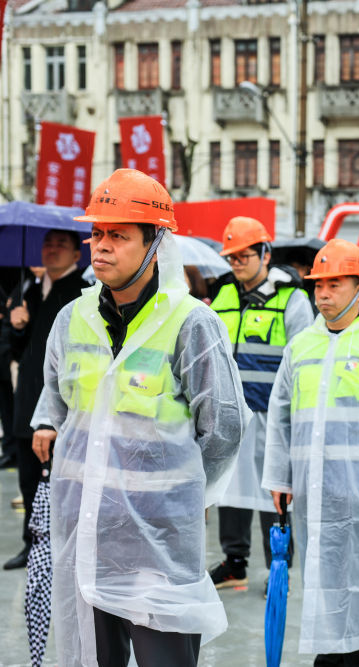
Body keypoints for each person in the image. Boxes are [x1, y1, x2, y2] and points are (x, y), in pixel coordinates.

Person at [30, 169, 247, 666]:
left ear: (155, 245)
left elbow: (225, 426)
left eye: (118, 236)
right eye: (98, 233)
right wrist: (47, 424)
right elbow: (55, 394)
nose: (100, 246)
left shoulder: (192, 323)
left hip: (158, 543)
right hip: (83, 532)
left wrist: (188, 492)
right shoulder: (72, 318)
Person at [263, 238, 359, 666]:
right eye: (318, 285)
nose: (324, 294)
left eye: (334, 284)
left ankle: (354, 656)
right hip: (314, 493)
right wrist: (280, 477)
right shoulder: (301, 346)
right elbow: (281, 416)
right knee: (323, 582)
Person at [208, 216, 312, 588]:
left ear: (265, 253)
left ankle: (278, 566)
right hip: (231, 415)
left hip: (272, 412)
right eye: (231, 257)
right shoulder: (221, 295)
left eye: (244, 255)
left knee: (274, 489)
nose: (236, 263)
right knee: (229, 487)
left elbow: (302, 357)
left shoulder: (292, 298)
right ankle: (234, 562)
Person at [2, 229, 89, 571]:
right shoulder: (30, 290)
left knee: (60, 479)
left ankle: (61, 547)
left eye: (61, 245)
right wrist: (18, 325)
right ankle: (32, 543)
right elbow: (18, 349)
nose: (52, 250)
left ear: (76, 254)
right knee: (28, 477)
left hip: (61, 402)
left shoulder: (81, 293)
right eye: (47, 244)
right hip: (27, 396)